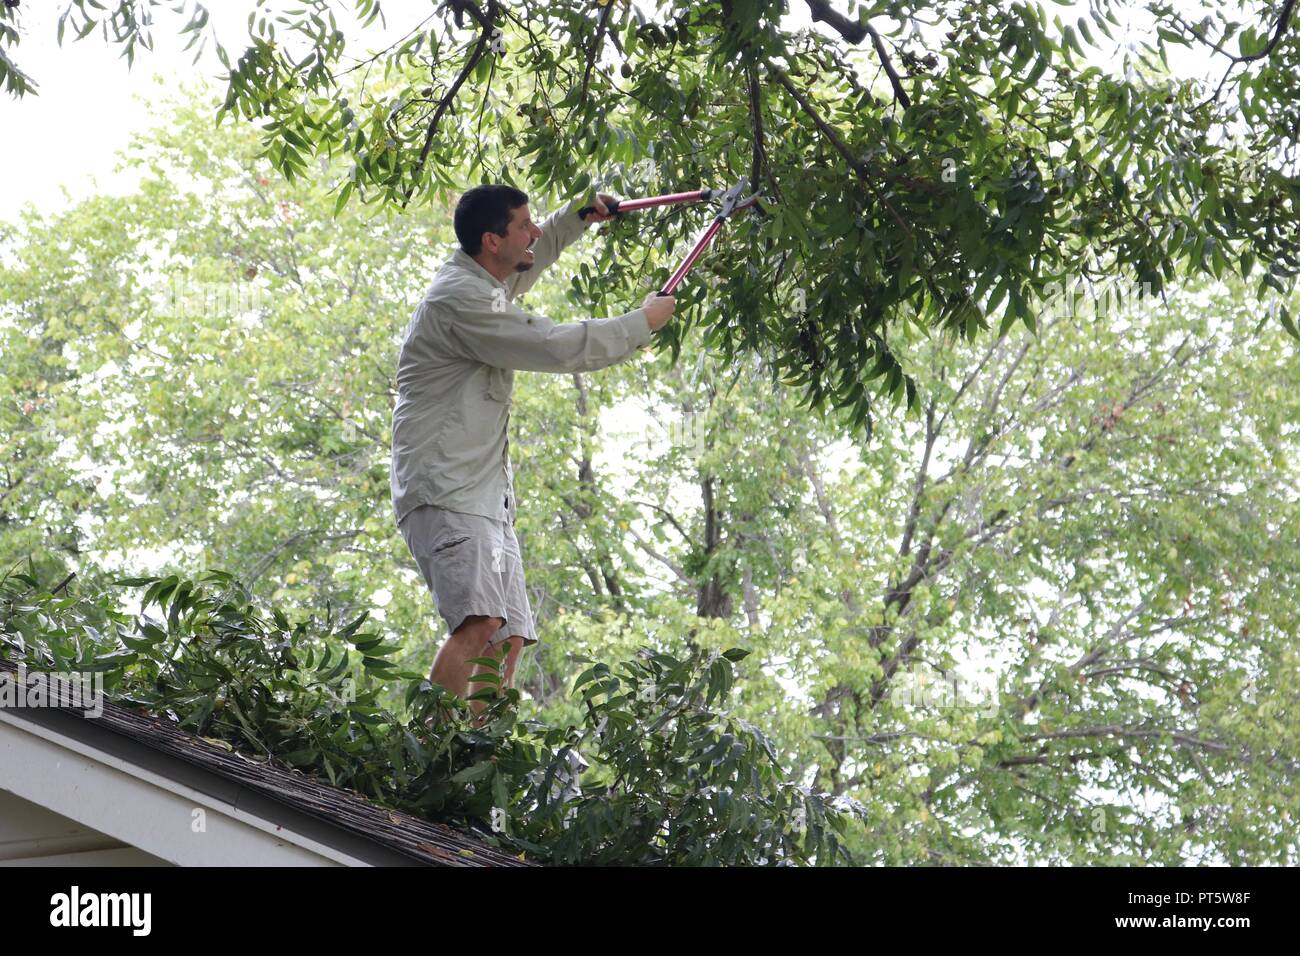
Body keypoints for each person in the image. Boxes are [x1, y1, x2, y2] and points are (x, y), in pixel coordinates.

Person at [391, 183, 676, 726]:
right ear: (491, 240)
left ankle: (475, 757)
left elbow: (529, 258)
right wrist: (642, 324)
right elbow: (553, 345)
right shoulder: (461, 301)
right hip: (446, 491)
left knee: (508, 634)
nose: (535, 231)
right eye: (524, 225)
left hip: (483, 497)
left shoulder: (486, 277)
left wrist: (576, 218)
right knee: (478, 623)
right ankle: (430, 757)